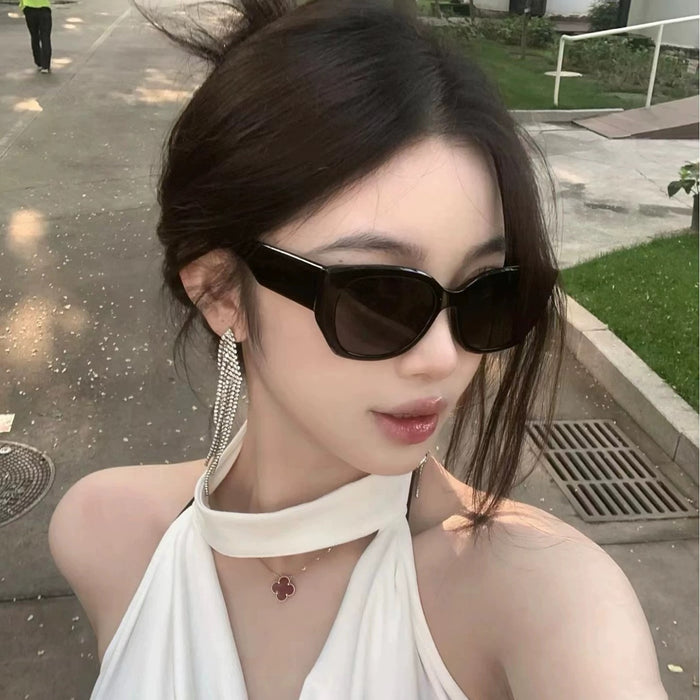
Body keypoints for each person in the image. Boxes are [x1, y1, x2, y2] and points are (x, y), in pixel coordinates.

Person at [48, 1, 668, 698]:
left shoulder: (540, 595)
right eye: (378, 297)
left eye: (487, 293)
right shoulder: (105, 535)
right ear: (221, 291)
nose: (443, 358)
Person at [19, 0, 52, 74]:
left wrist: (22, 6)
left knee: (34, 36)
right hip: (44, 8)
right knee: (45, 37)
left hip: (29, 8)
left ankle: (39, 62)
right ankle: (45, 66)